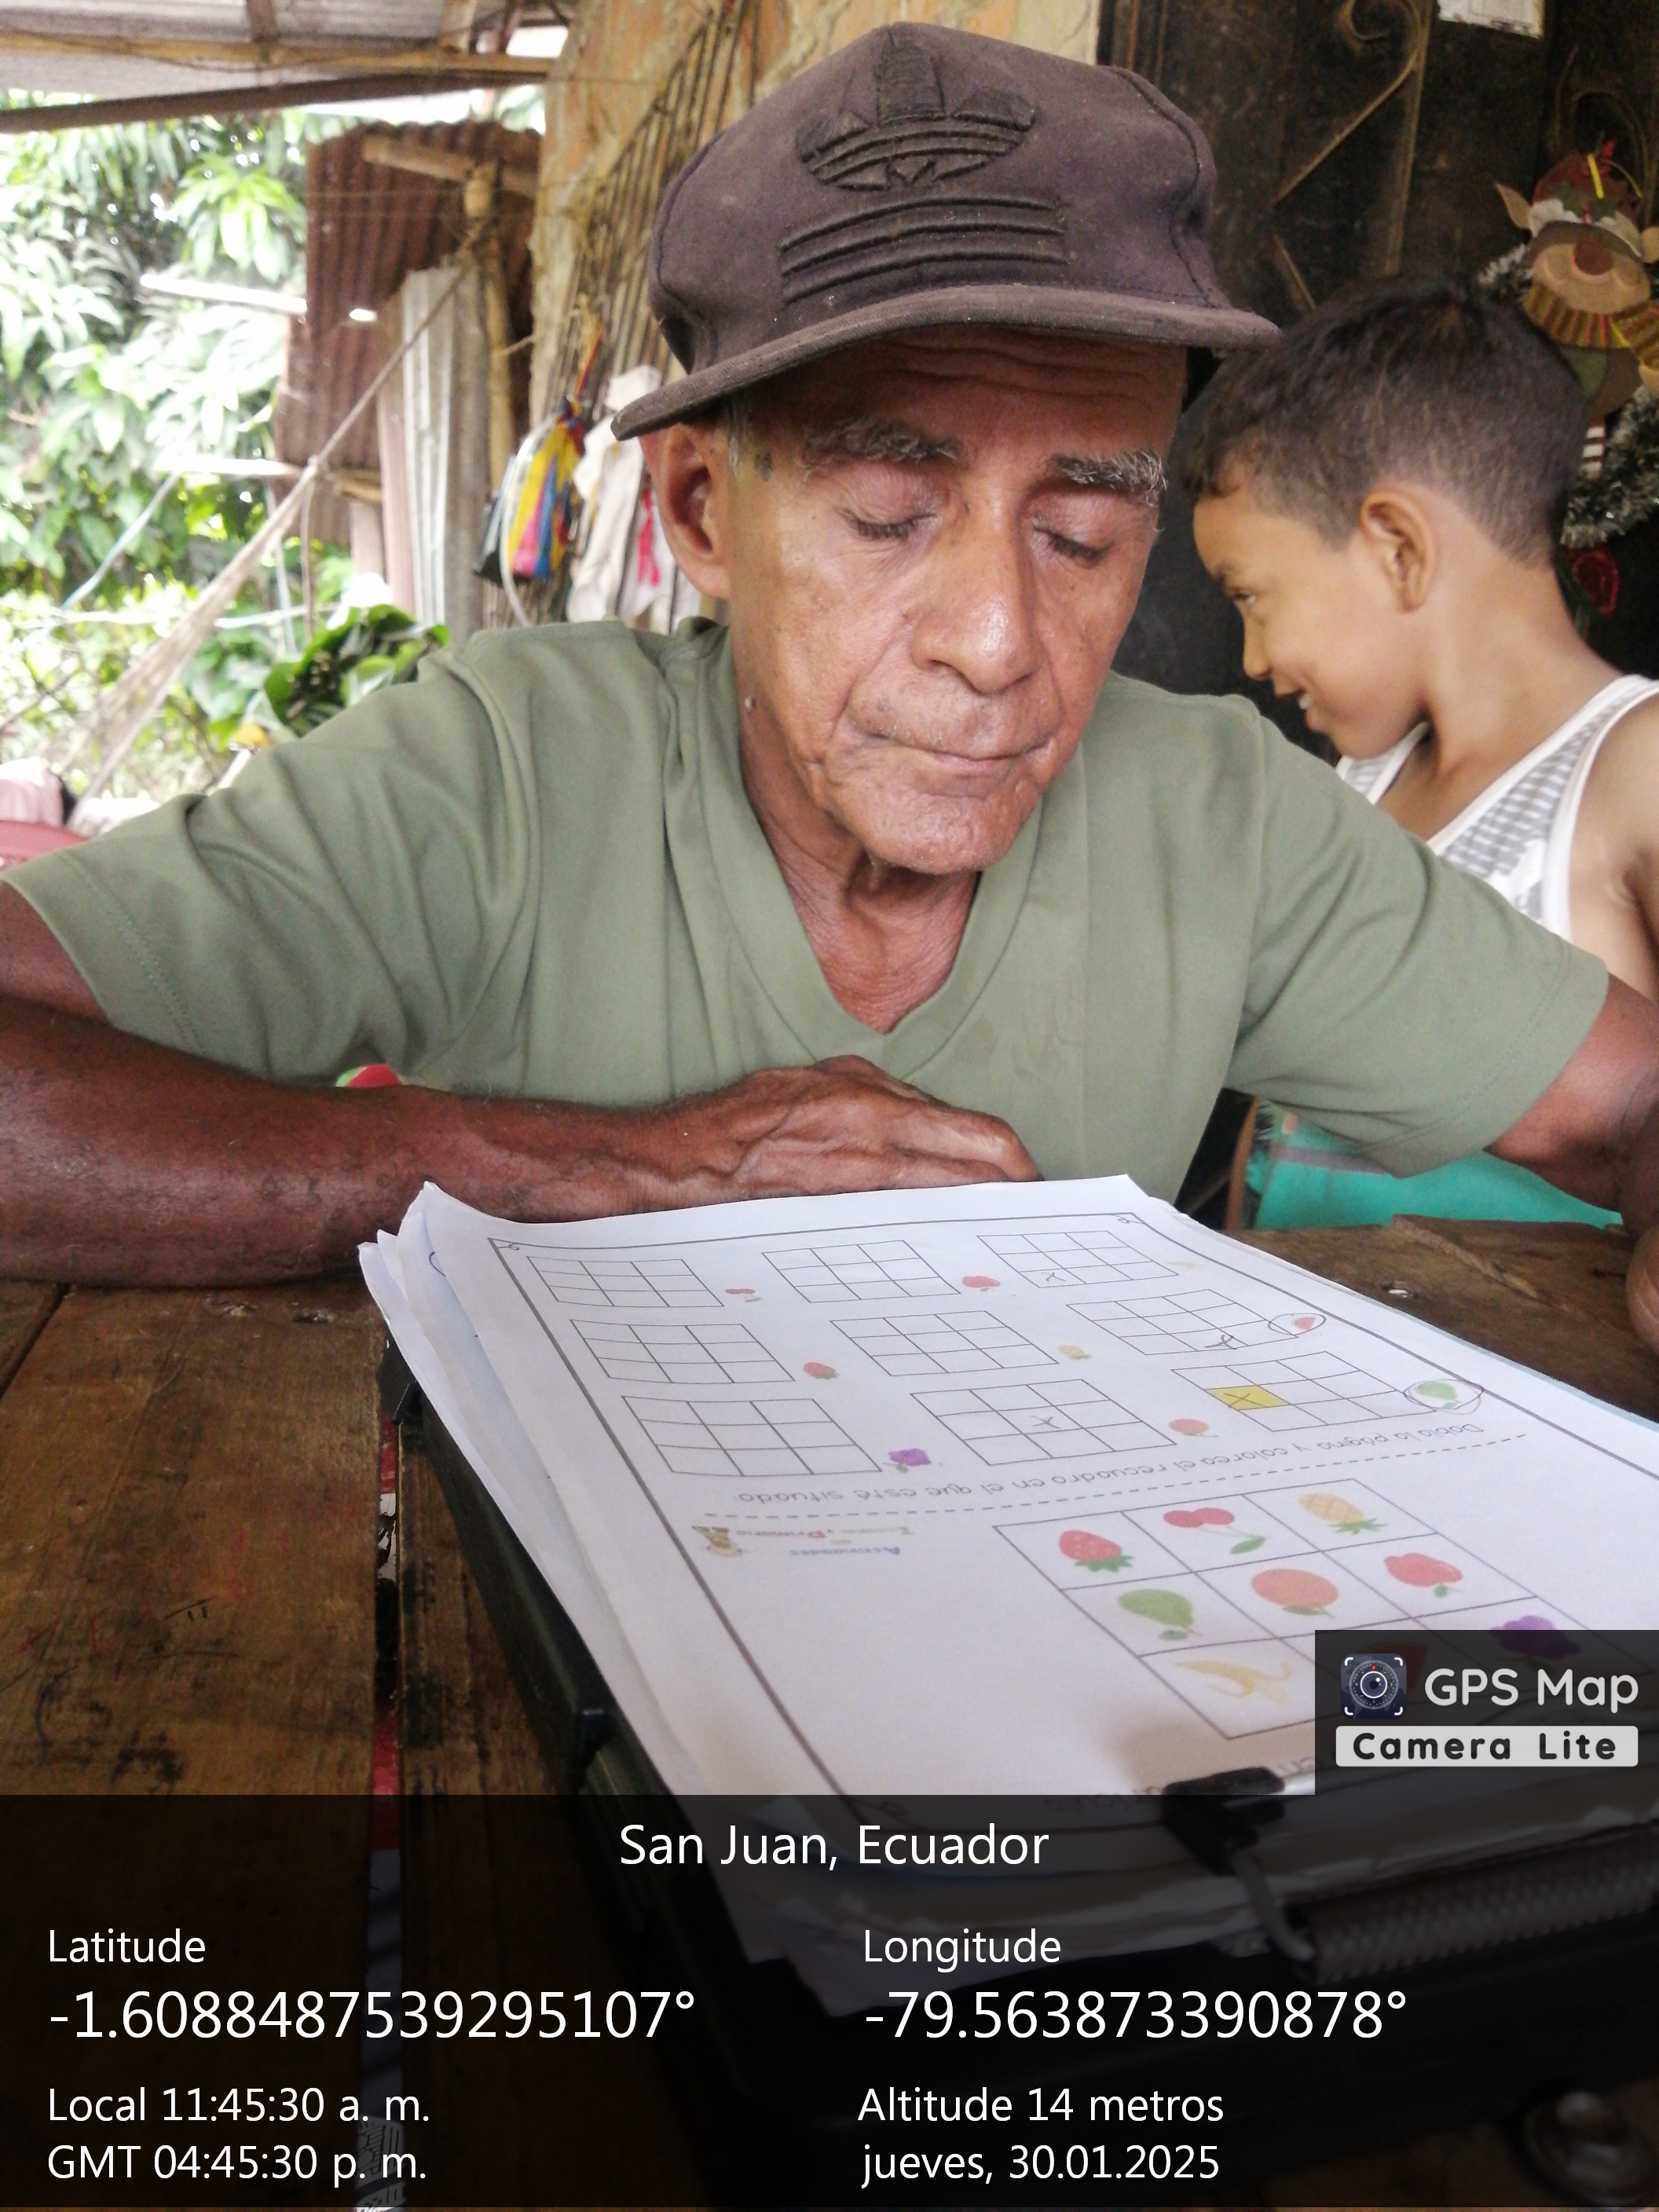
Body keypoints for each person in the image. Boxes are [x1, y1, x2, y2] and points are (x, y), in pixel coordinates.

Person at [2, 24, 1659, 1356]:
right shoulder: (502, 769)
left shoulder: (1222, 821)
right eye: (886, 516)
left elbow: (1633, 1098)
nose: (996, 641)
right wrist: (589, 1167)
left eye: (1082, 535)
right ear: (701, 516)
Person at [1185, 277, 1659, 1230]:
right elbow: (1284, 1112)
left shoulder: (1632, 767)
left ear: (1399, 547)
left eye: (1251, 598)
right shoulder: (1359, 784)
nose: (1253, 660)